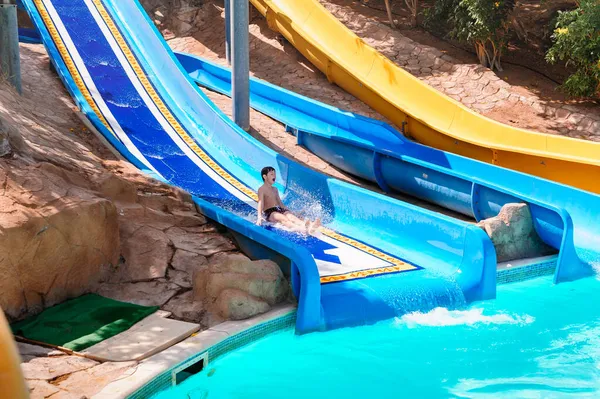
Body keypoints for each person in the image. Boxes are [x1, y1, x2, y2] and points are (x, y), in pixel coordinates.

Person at [256, 166, 321, 234]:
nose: (274, 176)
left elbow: (280, 203)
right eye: (272, 174)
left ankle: (310, 226)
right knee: (284, 219)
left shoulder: (275, 189)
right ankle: (301, 229)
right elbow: (260, 203)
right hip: (270, 213)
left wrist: (290, 211)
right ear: (265, 177)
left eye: (275, 174)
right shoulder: (261, 190)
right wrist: (259, 216)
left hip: (278, 209)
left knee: (291, 217)